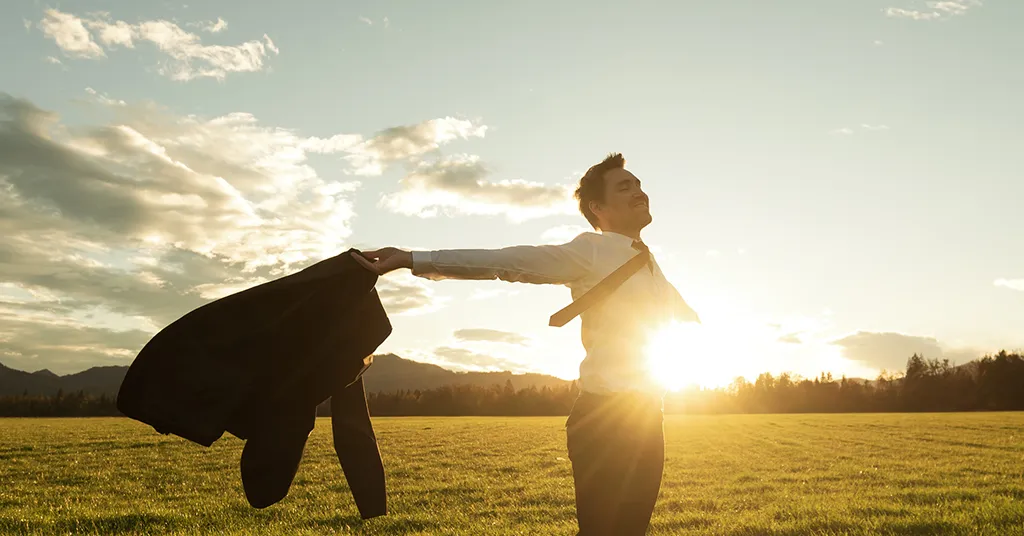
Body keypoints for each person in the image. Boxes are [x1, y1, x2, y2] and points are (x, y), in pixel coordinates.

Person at [350, 152, 700, 535]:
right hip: (606, 420)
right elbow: (507, 261)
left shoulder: (649, 262)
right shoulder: (591, 251)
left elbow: (684, 321)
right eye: (625, 186)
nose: (639, 191)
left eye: (638, 184)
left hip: (648, 416)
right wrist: (414, 258)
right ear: (598, 208)